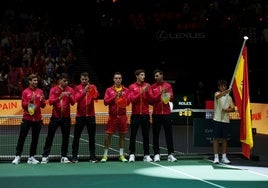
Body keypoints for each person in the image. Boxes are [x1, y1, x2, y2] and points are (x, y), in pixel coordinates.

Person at [12, 74, 46, 164]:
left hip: (37, 119)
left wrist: (43, 101)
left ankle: (31, 157)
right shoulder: (25, 92)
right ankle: (17, 156)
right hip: (27, 118)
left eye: (36, 80)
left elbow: (43, 105)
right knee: (22, 138)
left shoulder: (40, 91)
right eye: (34, 80)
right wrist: (30, 102)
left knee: (35, 139)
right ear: (29, 81)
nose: (36, 82)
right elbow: (23, 105)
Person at [41, 73, 75, 164]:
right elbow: (51, 102)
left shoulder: (70, 90)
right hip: (55, 118)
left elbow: (73, 103)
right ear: (60, 80)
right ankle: (45, 156)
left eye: (67, 81)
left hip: (66, 118)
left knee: (66, 138)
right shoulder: (53, 89)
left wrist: (69, 96)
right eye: (64, 81)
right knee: (50, 137)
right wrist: (60, 97)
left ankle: (64, 156)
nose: (66, 82)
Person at [100, 72, 130, 162]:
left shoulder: (126, 90)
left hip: (122, 116)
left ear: (121, 79)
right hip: (112, 117)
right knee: (108, 135)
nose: (118, 80)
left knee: (122, 135)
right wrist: (114, 97)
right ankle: (105, 155)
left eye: (119, 78)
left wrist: (122, 98)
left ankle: (121, 155)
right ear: (113, 79)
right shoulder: (109, 90)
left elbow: (128, 103)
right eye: (116, 78)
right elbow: (105, 102)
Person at [148, 69, 177, 162]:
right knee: (155, 135)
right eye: (155, 76)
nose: (155, 77)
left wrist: (166, 94)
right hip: (156, 114)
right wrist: (160, 94)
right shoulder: (152, 87)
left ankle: (170, 154)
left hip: (167, 114)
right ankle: (156, 154)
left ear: (161, 75)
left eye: (157, 76)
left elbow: (171, 99)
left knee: (169, 135)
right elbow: (151, 100)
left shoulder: (168, 86)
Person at [72, 72, 99, 163]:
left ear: (88, 79)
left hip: (91, 116)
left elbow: (96, 97)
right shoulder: (77, 88)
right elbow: (76, 99)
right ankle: (74, 157)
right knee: (76, 137)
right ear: (80, 79)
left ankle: (92, 157)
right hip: (80, 116)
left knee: (92, 138)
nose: (84, 81)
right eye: (82, 79)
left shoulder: (93, 87)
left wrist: (90, 90)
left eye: (86, 79)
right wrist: (84, 92)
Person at [128, 69, 152, 162]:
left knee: (146, 136)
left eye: (144, 75)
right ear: (137, 76)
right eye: (142, 75)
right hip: (135, 115)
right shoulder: (131, 87)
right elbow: (132, 100)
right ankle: (131, 154)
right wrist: (142, 92)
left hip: (145, 115)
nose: (143, 77)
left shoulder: (147, 86)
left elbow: (150, 100)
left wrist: (147, 92)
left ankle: (146, 155)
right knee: (133, 136)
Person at [212, 79, 235, 164]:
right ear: (219, 87)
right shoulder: (217, 94)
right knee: (216, 139)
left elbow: (233, 109)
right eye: (221, 86)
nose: (223, 87)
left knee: (225, 139)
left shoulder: (229, 98)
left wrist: (227, 110)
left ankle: (224, 157)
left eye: (224, 86)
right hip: (217, 119)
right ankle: (216, 157)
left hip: (225, 120)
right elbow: (218, 97)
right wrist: (227, 91)